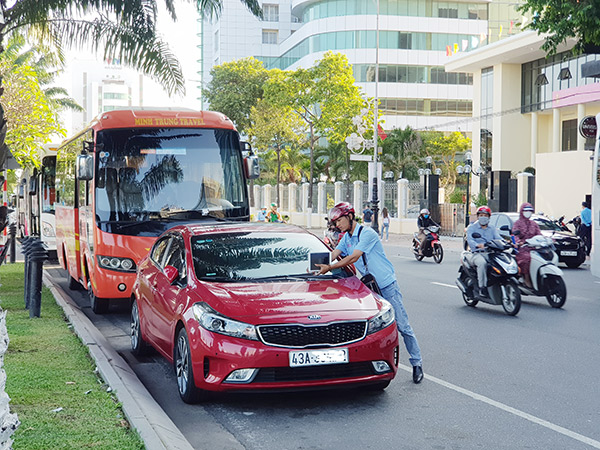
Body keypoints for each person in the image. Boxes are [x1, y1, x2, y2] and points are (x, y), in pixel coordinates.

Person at [316, 202, 424, 384]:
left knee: (403, 326)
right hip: (369, 289)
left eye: (340, 220)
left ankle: (417, 363)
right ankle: (373, 365)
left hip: (386, 285)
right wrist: (312, 267)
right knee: (373, 328)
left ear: (350, 217)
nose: (337, 225)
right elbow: (333, 254)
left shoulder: (367, 234)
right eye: (335, 222)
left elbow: (353, 257)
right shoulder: (346, 237)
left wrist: (330, 267)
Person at [466, 205, 502, 298]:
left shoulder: (492, 228)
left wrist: (506, 243)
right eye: (481, 215)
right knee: (482, 263)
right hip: (477, 253)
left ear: (489, 217)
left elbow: (498, 238)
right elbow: (470, 240)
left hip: (491, 253)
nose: (483, 217)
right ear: (478, 216)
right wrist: (478, 245)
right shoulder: (472, 227)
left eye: (485, 215)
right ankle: (482, 287)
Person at [512, 202, 541, 288]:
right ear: (522, 211)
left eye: (530, 211)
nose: (528, 212)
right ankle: (526, 278)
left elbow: (539, 234)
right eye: (526, 210)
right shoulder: (517, 224)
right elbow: (514, 236)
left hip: (534, 248)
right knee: (527, 259)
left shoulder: (534, 224)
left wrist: (546, 240)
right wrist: (518, 242)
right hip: (522, 249)